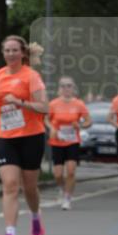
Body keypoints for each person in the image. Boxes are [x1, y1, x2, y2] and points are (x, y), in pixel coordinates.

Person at [0, 36, 48, 235]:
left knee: (29, 187)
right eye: (7, 50)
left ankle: (35, 215)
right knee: (10, 185)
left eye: (15, 50)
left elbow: (44, 107)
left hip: (31, 136)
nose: (11, 54)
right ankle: (10, 234)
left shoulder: (32, 76)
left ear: (23, 53)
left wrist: (20, 102)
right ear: (3, 53)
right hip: (6, 136)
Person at [46, 77, 91, 209]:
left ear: (73, 88)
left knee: (71, 171)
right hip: (57, 141)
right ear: (59, 89)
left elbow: (88, 121)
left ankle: (67, 197)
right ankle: (62, 188)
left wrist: (80, 124)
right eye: (64, 86)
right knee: (58, 174)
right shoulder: (53, 104)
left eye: (69, 86)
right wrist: (52, 128)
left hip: (72, 141)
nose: (66, 89)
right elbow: (45, 119)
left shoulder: (79, 104)